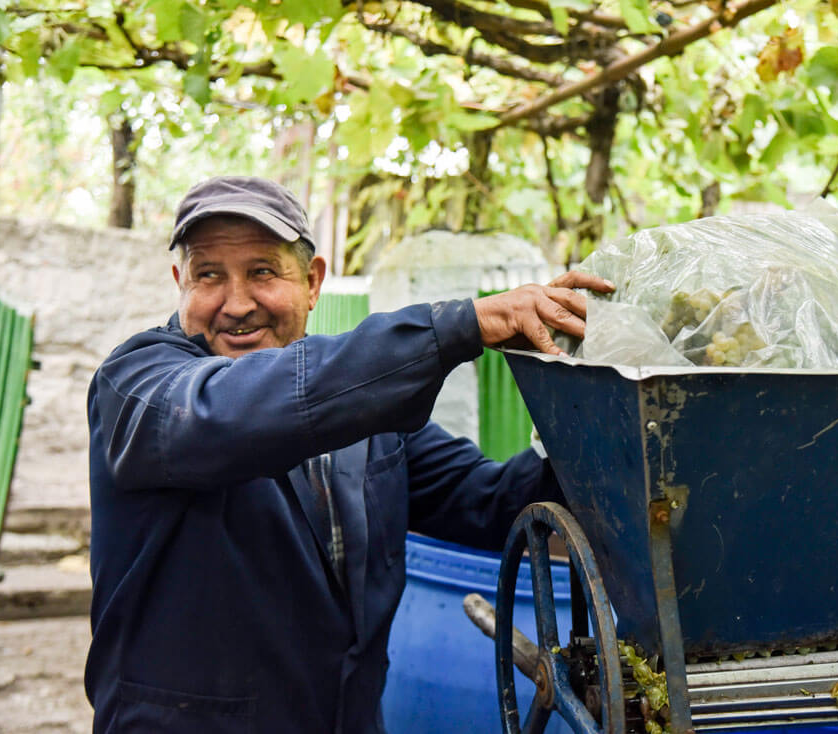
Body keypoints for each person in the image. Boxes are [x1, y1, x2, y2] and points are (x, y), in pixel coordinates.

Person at [84, 175, 613, 733]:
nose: (236, 304)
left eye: (262, 271)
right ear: (179, 283)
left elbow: (497, 503)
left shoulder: (369, 417)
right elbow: (236, 411)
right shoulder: (141, 385)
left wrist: (601, 414)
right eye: (208, 275)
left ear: (313, 283)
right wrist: (460, 327)